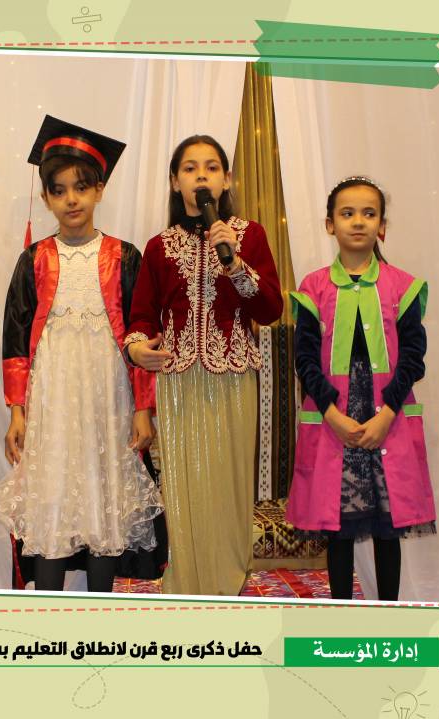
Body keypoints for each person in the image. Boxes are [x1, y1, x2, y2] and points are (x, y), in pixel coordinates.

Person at [0, 116, 163, 593]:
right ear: (46, 199)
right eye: (59, 191)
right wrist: (18, 410)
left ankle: (98, 608)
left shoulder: (124, 256)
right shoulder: (35, 259)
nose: (72, 200)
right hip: (53, 402)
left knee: (104, 496)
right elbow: (16, 339)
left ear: (99, 190)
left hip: (108, 399)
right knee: (53, 496)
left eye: (81, 188)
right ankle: (48, 607)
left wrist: (143, 408)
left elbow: (143, 334)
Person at [126, 135, 283, 596]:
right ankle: (189, 585)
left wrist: (235, 262)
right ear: (175, 182)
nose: (201, 176)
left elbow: (270, 309)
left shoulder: (250, 236)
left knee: (229, 485)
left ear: (226, 179)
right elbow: (141, 316)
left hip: (234, 376)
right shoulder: (159, 246)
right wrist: (137, 348)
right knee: (185, 487)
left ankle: (228, 583)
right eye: (190, 168)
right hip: (179, 382)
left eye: (212, 167)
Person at [286, 176, 436, 601]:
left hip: (387, 418)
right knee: (339, 527)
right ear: (330, 224)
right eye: (347, 213)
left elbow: (413, 359)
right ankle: (343, 614)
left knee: (388, 525)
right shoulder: (313, 287)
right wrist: (332, 415)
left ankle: (387, 614)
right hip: (334, 419)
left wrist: (387, 415)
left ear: (381, 226)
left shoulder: (402, 286)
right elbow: (305, 360)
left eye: (369, 214)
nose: (358, 221)